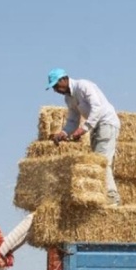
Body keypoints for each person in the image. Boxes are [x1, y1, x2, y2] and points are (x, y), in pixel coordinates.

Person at [46, 68, 121, 205]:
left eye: (56, 86)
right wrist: (64, 133)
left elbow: (97, 107)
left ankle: (112, 198)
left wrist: (83, 129)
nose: (55, 90)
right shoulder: (69, 98)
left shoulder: (83, 86)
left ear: (64, 79)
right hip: (95, 127)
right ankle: (104, 196)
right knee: (96, 161)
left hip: (106, 123)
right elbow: (73, 120)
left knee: (101, 161)